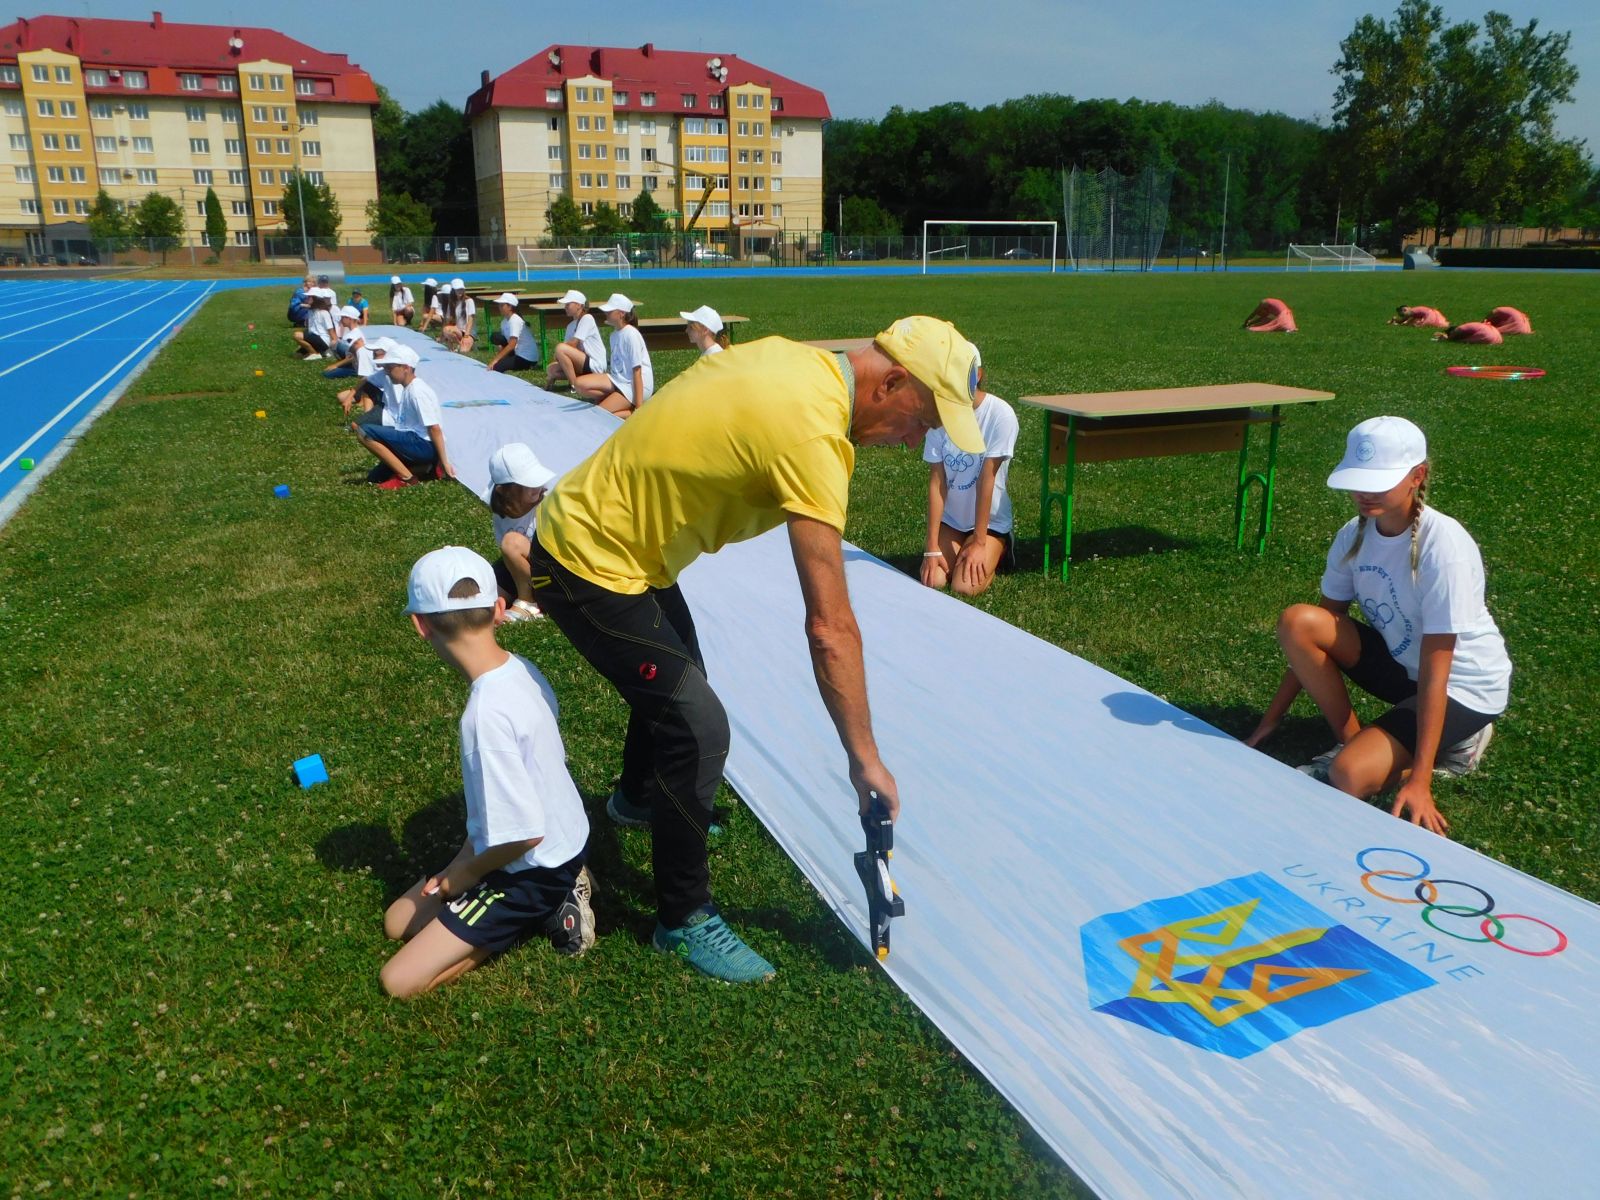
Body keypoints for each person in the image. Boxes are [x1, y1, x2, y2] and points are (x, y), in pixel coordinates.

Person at [528, 315, 984, 982]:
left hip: (619, 547)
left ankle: (634, 801)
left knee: (678, 685)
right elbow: (830, 626)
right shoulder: (814, 433)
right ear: (891, 382)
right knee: (697, 726)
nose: (920, 439)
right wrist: (865, 761)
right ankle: (681, 919)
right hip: (583, 561)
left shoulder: (796, 361)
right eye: (927, 418)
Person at [1242, 416, 1511, 836]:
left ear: (1417, 477)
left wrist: (1420, 780)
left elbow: (1439, 667)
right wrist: (1270, 720)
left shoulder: (1446, 548)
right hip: (1406, 667)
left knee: (1348, 777)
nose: (1364, 492)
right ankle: (1353, 741)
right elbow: (1318, 630)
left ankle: (1460, 739)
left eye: (1379, 480)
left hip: (1463, 684)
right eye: (1358, 479)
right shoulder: (1353, 535)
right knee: (1299, 621)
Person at [380, 545, 595, 997]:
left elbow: (523, 835)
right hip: (561, 835)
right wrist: (460, 859)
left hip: (530, 870)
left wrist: (465, 874)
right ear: (499, 609)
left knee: (398, 981)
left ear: (420, 626)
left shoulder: (483, 718)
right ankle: (543, 893)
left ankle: (548, 905)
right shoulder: (522, 668)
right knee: (397, 921)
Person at [919, 345, 1017, 597]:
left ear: (979, 374)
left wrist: (980, 542)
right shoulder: (937, 416)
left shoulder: (1000, 415)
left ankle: (1001, 550)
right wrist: (931, 547)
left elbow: (987, 478)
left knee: (964, 587)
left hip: (990, 523)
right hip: (953, 520)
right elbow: (936, 482)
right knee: (934, 581)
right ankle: (961, 548)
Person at [351, 343, 456, 488]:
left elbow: (434, 428)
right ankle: (426, 469)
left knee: (364, 431)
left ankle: (408, 478)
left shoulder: (417, 391)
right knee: (374, 477)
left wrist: (444, 462)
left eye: (390, 367)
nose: (386, 372)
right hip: (416, 443)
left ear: (406, 368)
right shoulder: (408, 389)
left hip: (423, 445)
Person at [487, 443, 555, 623]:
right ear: (503, 490)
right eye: (526, 483)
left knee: (511, 542)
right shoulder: (501, 514)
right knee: (486, 597)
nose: (537, 486)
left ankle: (529, 602)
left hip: (551, 573)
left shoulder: (549, 506)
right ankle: (501, 607)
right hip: (524, 570)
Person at [573, 294, 652, 417]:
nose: (606, 313)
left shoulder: (631, 334)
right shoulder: (614, 335)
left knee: (599, 414)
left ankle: (636, 413)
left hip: (633, 385)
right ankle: (614, 400)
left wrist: (638, 405)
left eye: (610, 311)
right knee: (578, 384)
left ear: (621, 313)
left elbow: (637, 372)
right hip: (618, 380)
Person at [546, 290, 606, 390]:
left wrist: (558, 353)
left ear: (579, 305)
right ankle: (582, 380)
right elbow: (566, 352)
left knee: (560, 348)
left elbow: (573, 344)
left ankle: (574, 385)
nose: (565, 307)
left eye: (568, 304)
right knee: (551, 369)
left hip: (595, 364)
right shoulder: (570, 326)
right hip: (582, 362)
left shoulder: (587, 318)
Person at [487, 294, 540, 373]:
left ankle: (530, 365)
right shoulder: (504, 322)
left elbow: (512, 344)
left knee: (496, 367)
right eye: (499, 305)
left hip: (526, 358)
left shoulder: (514, 320)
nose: (499, 308)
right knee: (496, 336)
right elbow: (505, 342)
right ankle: (508, 359)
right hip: (517, 352)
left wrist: (495, 360)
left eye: (502, 305)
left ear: (510, 307)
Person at [322, 307, 371, 379]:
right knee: (338, 345)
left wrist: (335, 365)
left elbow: (351, 357)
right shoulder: (355, 331)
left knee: (327, 374)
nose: (341, 320)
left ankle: (352, 371)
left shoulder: (352, 336)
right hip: (356, 361)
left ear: (350, 319)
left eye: (343, 318)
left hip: (357, 366)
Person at [293, 289, 337, 360]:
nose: (307, 298)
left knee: (297, 335)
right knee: (297, 355)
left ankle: (314, 353)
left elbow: (331, 330)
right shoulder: (311, 311)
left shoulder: (324, 312)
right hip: (314, 337)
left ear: (316, 299)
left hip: (322, 339)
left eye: (310, 297)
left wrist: (334, 341)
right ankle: (321, 353)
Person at [443, 282, 477, 353]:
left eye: (461, 289)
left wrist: (466, 336)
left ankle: (468, 343)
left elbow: (471, 319)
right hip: (458, 330)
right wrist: (445, 337)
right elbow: (448, 321)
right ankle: (459, 343)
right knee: (446, 330)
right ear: (453, 291)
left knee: (463, 351)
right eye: (457, 289)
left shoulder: (469, 301)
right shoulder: (451, 303)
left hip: (469, 332)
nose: (460, 291)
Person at [1434, 321, 1502, 345]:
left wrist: (1447, 338)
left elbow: (1458, 331)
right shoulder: (1475, 325)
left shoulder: (1460, 328)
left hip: (1487, 336)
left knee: (1456, 341)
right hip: (1498, 338)